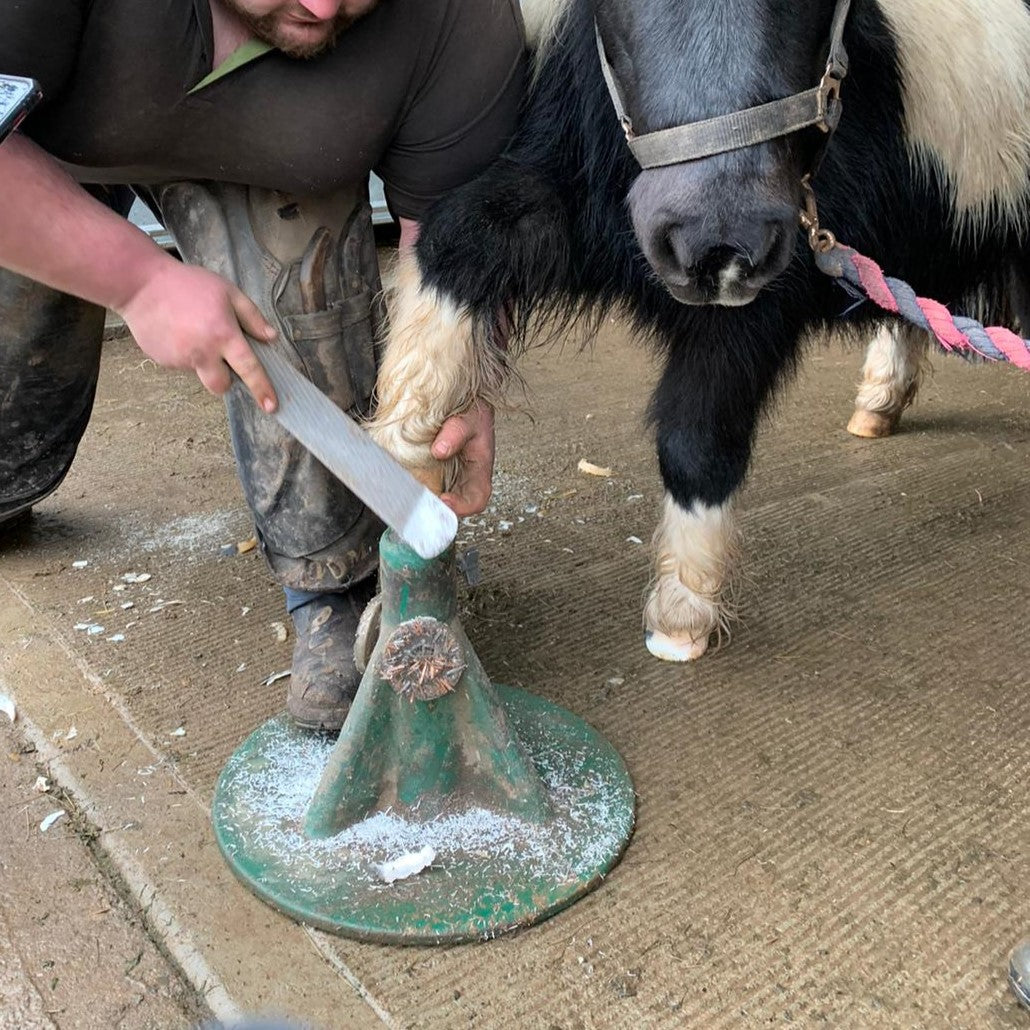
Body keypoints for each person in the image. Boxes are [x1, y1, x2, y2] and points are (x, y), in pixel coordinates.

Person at [0, 0, 525, 731]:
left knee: (296, 267)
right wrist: (138, 280)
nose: (322, 6)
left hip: (273, 170)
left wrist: (463, 379)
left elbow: (450, 234)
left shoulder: (461, 22)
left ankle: (336, 579)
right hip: (28, 143)